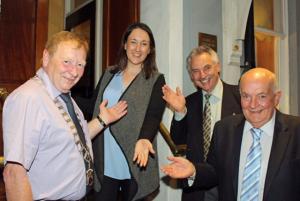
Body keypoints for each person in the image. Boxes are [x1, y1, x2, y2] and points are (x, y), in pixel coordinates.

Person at [2, 31, 127, 201]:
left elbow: (72, 139)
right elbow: (14, 173)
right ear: (46, 57)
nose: (74, 72)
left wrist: (102, 121)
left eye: (80, 65)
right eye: (67, 62)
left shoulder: (63, 96)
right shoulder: (28, 98)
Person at [161, 67, 300, 201]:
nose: (253, 104)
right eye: (246, 96)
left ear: (276, 98)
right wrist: (193, 171)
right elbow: (214, 172)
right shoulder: (224, 129)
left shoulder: (295, 131)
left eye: (261, 96)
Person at [91, 22, 166, 201]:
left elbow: (154, 116)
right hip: (105, 155)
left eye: (144, 44)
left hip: (134, 156)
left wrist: (144, 138)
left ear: (150, 50)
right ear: (125, 45)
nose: (138, 48)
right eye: (133, 42)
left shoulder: (156, 79)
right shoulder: (109, 73)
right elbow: (92, 106)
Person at [162, 45, 242, 201]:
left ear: (218, 67)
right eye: (195, 71)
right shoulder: (188, 103)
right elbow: (178, 142)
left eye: (207, 68)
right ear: (191, 76)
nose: (202, 75)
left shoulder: (240, 97)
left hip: (232, 185)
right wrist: (179, 111)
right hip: (198, 187)